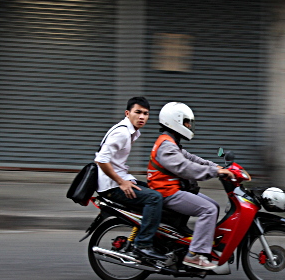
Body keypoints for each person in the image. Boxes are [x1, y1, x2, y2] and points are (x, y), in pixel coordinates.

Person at [147, 102, 234, 270]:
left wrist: (217, 167)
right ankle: (194, 255)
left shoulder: (171, 143)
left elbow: (193, 159)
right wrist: (214, 172)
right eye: (186, 122)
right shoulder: (166, 146)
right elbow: (186, 168)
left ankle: (202, 246)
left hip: (174, 190)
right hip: (167, 193)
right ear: (175, 121)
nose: (189, 126)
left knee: (214, 205)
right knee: (208, 209)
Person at [95, 96, 165, 260]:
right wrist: (122, 182)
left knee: (155, 190)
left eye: (146, 114)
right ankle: (143, 245)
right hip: (112, 186)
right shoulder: (122, 132)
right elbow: (101, 160)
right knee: (154, 198)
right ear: (128, 113)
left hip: (119, 179)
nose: (142, 117)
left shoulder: (131, 131)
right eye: (138, 112)